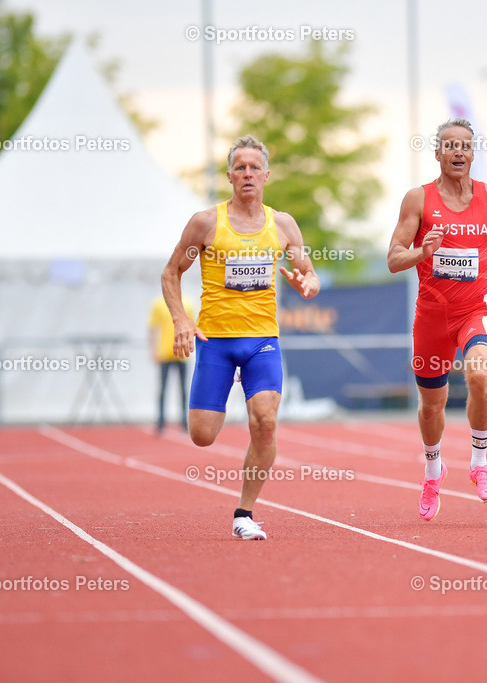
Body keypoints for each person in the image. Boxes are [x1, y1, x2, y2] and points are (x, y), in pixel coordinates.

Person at [161, 134, 320, 540]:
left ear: (266, 175)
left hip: (262, 340)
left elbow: (309, 273)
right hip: (215, 340)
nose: (247, 174)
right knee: (202, 436)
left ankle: (244, 513)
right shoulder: (206, 223)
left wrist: (308, 285)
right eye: (240, 167)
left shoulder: (282, 224)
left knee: (265, 422)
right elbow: (171, 273)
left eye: (254, 167)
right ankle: (217, 393)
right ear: (230, 176)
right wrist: (181, 320)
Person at [387, 118, 487, 521]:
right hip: (432, 317)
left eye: (465, 146)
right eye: (450, 146)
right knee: (431, 406)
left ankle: (479, 462)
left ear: (473, 153)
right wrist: (422, 252)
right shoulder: (417, 200)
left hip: (477, 310)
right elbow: (393, 259)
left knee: (478, 377)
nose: (458, 152)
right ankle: (433, 470)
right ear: (437, 153)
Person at [148, 294, 196, 433]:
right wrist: (153, 350)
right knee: (163, 389)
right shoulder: (158, 304)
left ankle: (184, 422)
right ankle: (161, 422)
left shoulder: (187, 303)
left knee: (183, 390)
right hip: (165, 353)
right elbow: (153, 328)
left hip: (182, 354)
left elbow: (192, 327)